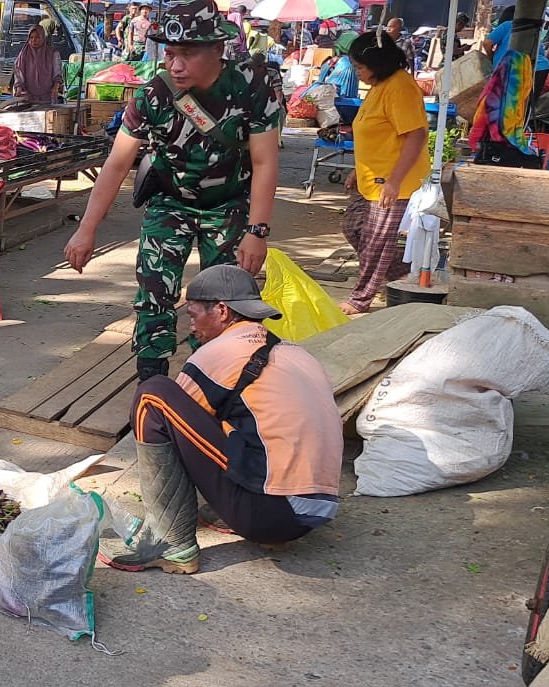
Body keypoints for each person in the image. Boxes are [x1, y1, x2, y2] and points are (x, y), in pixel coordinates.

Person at [64, 0, 280, 382]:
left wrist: (257, 231)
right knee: (154, 293)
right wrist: (86, 229)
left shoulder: (252, 88)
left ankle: (211, 379)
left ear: (218, 49)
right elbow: (116, 164)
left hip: (228, 205)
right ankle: (152, 382)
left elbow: (264, 162)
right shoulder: (154, 95)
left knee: (225, 301)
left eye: (188, 53)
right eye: (170, 54)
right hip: (170, 202)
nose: (175, 65)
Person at [101, 265, 343, 574]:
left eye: (193, 315)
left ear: (222, 310)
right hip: (314, 511)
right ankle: (247, 512)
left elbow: (177, 433)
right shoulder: (294, 352)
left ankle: (169, 542)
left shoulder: (219, 352)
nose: (191, 327)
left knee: (153, 396)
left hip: (272, 514)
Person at [338, 30, 426, 316]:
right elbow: (375, 131)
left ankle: (360, 298)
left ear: (377, 64)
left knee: (376, 240)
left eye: (359, 67)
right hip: (371, 177)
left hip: (393, 181)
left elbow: (416, 135)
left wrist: (394, 181)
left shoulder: (400, 87)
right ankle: (404, 277)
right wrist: (358, 168)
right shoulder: (380, 85)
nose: (357, 73)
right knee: (354, 226)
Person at [482, 6, 549, 93]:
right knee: (529, 99)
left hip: (513, 70)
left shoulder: (507, 25)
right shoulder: (533, 29)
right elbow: (540, 53)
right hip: (541, 68)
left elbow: (486, 43)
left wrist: (491, 56)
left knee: (509, 99)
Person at [10, 24, 61, 103]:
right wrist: (19, 88)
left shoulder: (52, 53)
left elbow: (57, 73)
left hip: (48, 97)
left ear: (42, 37)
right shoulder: (23, 54)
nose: (34, 40)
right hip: (28, 97)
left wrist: (55, 87)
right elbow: (19, 73)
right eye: (31, 37)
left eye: (37, 37)